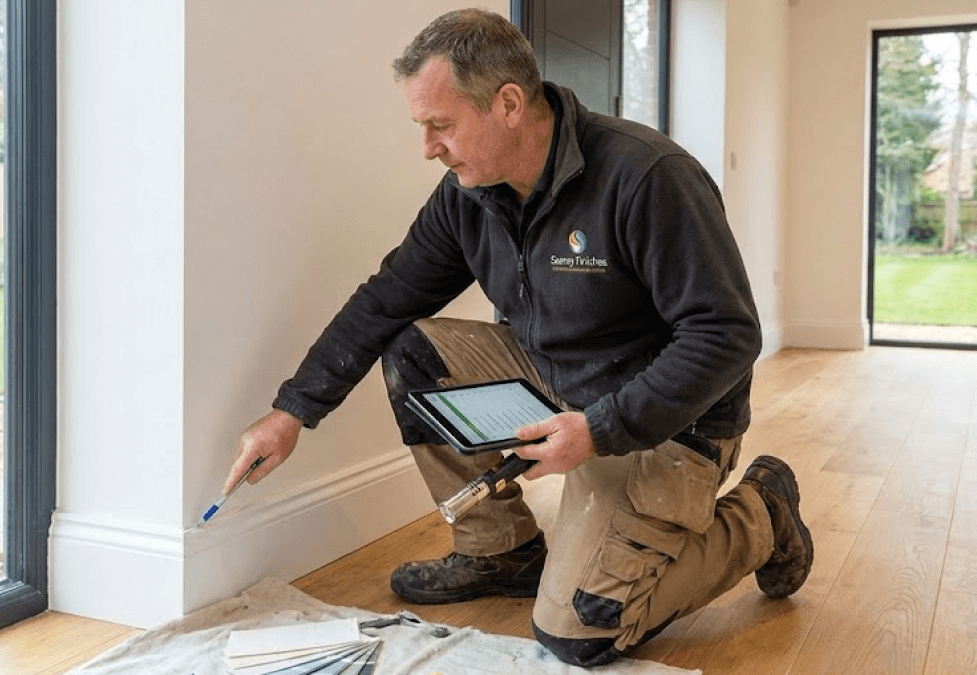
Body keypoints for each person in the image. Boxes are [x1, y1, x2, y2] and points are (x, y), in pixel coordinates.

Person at [222, 8, 813, 668]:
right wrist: (293, 410)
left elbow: (728, 333)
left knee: (580, 633)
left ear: (507, 103)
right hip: (554, 386)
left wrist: (599, 429)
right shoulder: (468, 195)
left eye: (439, 124)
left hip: (668, 426)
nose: (428, 147)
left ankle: (761, 514)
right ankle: (498, 547)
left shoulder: (646, 176)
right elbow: (385, 300)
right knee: (414, 347)